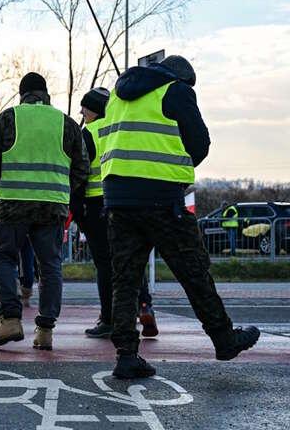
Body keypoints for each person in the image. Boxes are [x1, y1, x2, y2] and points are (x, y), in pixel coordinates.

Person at [98, 55, 259, 378]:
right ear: (182, 78)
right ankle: (224, 339)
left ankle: (126, 355)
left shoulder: (116, 95)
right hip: (161, 199)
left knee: (125, 279)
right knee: (193, 271)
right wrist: (177, 167)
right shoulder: (176, 91)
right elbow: (200, 143)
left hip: (118, 198)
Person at [0, 72, 89, 352]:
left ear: (22, 94)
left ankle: (11, 319)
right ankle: (45, 330)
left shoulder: (8, 117)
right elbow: (82, 167)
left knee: (3, 257)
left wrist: (0, 186)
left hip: (13, 201)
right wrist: (61, 191)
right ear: (46, 94)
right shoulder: (65, 122)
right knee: (50, 265)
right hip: (52, 205)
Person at [74, 87, 157, 339]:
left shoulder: (87, 133)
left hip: (97, 205)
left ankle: (108, 319)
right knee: (129, 258)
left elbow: (79, 175)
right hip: (128, 201)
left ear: (95, 110)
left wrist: (78, 214)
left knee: (104, 264)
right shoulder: (123, 128)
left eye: (85, 108)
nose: (81, 112)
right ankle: (144, 305)